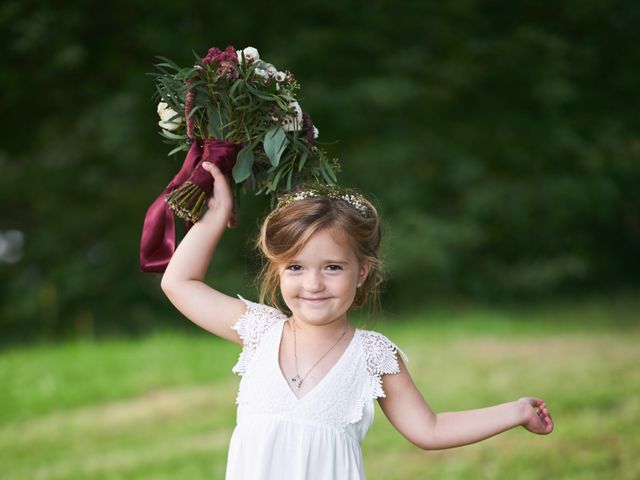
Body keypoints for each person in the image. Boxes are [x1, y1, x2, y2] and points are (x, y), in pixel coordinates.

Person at [160, 161, 554, 480]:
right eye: (296, 267)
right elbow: (179, 283)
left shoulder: (372, 355)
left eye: (332, 267)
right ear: (278, 270)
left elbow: (430, 430)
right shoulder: (261, 330)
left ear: (361, 272)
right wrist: (215, 217)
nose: (313, 284)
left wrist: (516, 411)